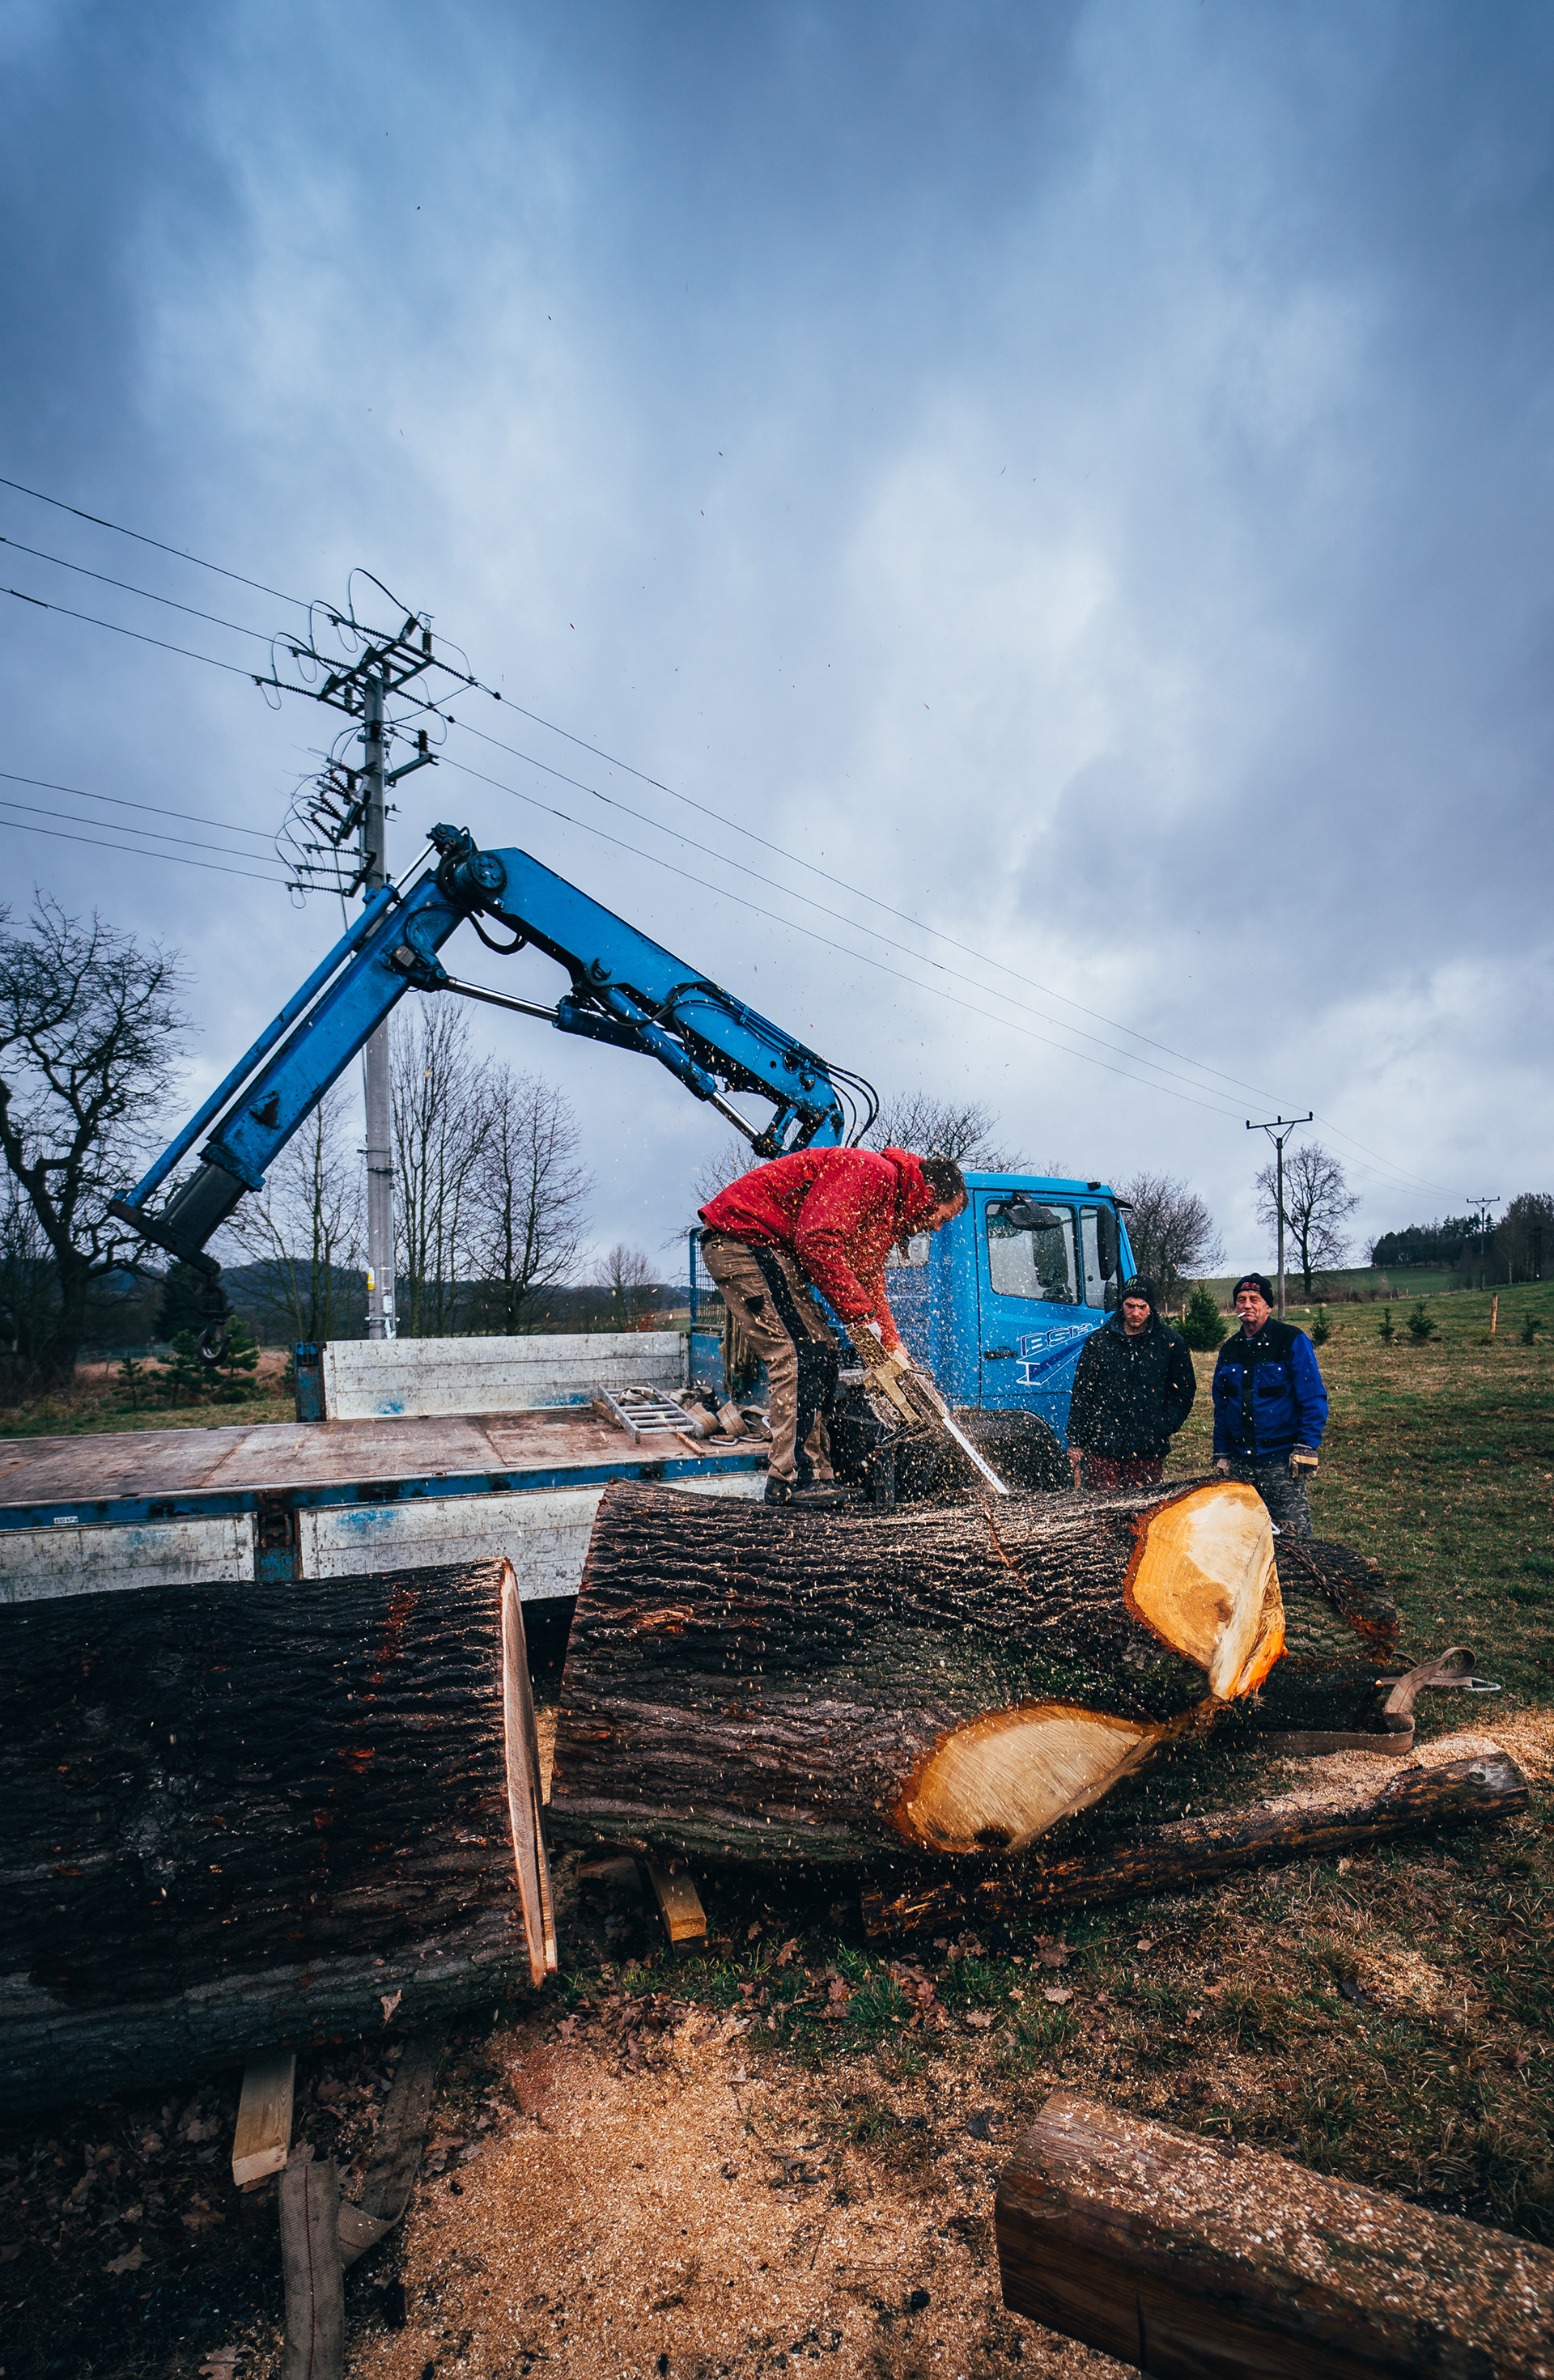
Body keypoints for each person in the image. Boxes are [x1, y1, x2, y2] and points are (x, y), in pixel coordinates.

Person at [698, 1146, 968, 1506]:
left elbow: (868, 1276)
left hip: (769, 1246)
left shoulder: (888, 1207)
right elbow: (817, 1240)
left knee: (823, 1350)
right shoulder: (873, 1172)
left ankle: (818, 1474)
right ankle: (790, 1481)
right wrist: (860, 1319)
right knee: (797, 1353)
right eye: (942, 1217)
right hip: (746, 1237)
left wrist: (890, 1341)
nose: (936, 1227)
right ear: (930, 1194)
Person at [1210, 1271, 1328, 1538]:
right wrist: (1221, 1452)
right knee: (1244, 1537)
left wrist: (1307, 1446)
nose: (1247, 1305)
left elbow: (1313, 1397)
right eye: (1241, 1300)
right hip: (1241, 1464)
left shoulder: (1291, 1340)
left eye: (1255, 1299)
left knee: (1293, 1538)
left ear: (1268, 1306)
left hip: (1281, 1463)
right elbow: (1222, 1407)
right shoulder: (1229, 1350)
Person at [1065, 1274, 1196, 1491]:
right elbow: (1082, 1394)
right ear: (1122, 1304)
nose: (1135, 1313)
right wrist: (1077, 1441)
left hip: (1147, 1450)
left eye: (1142, 1307)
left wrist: (1164, 1426)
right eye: (1130, 1305)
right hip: (1103, 1448)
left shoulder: (1171, 1343)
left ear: (1151, 1308)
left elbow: (1184, 1391)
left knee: (1142, 1514)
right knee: (1102, 1513)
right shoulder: (1098, 1342)